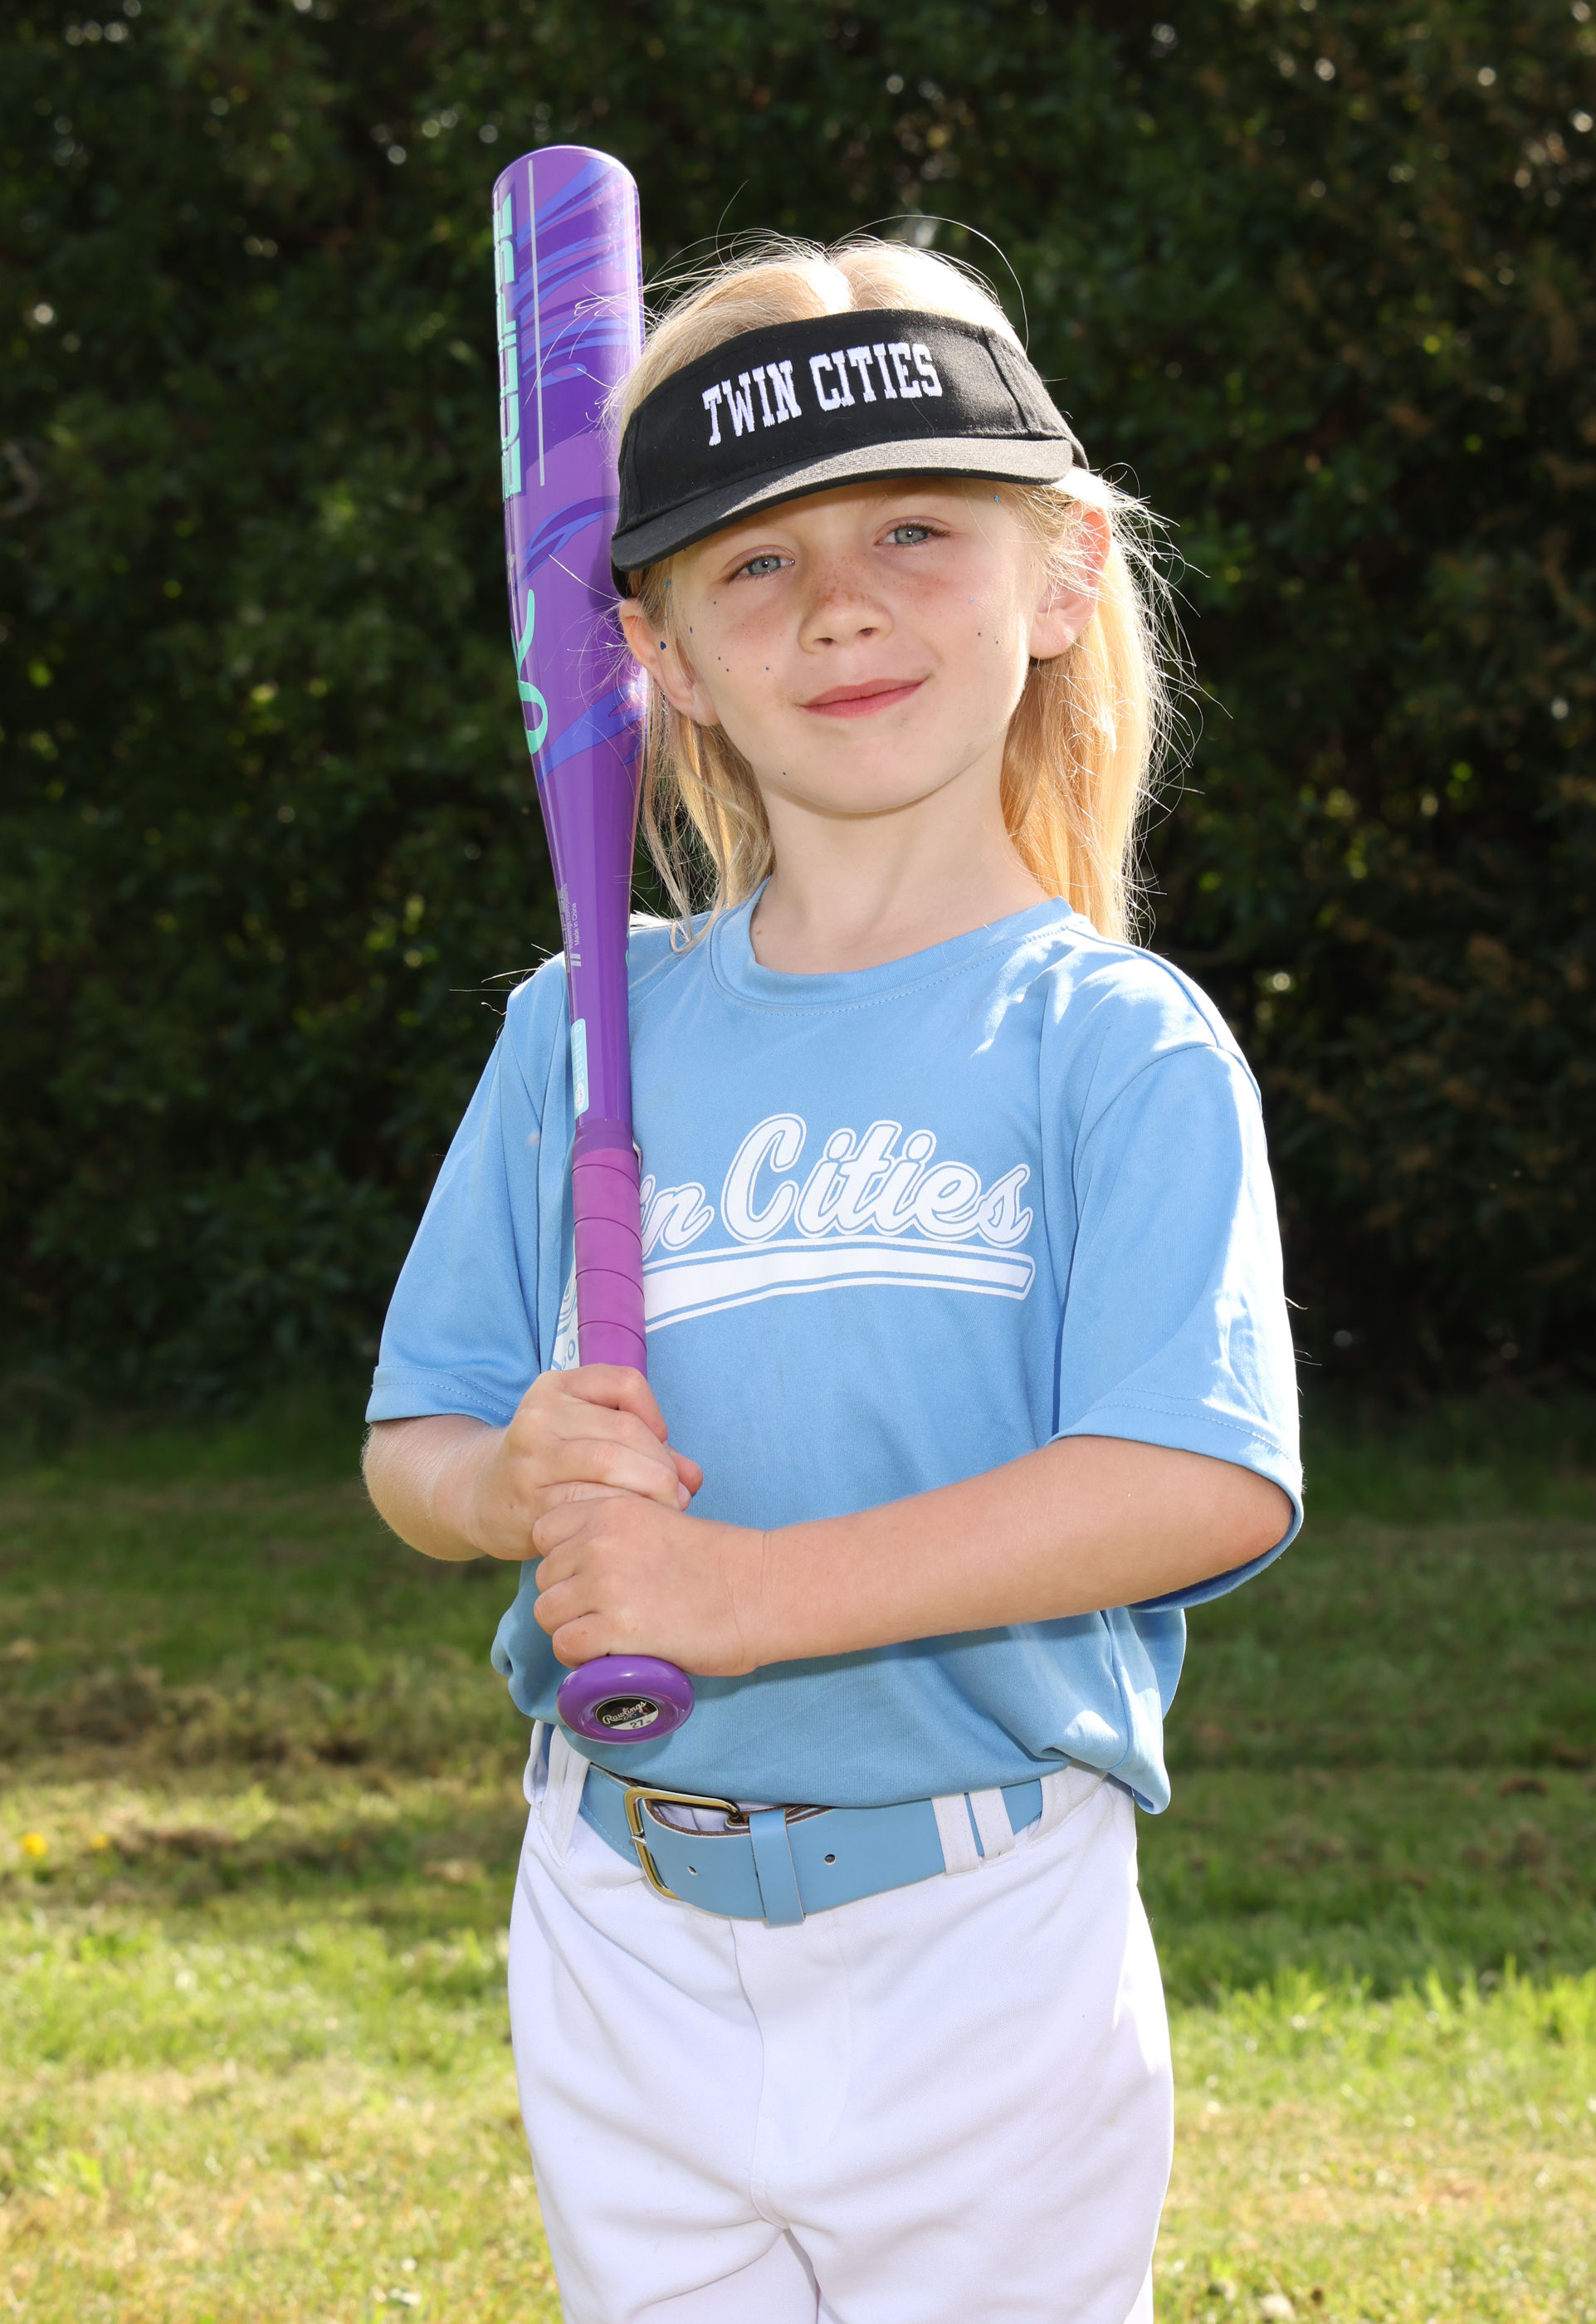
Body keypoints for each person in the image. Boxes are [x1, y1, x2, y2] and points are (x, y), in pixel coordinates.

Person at [363, 235, 1301, 2324]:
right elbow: (415, 1435)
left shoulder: (1111, 1043)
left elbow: (1195, 1475)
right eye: (757, 562)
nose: (843, 604)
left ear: (1059, 573)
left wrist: (748, 1594)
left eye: (912, 529)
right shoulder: (579, 1028)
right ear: (662, 656)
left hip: (979, 1926)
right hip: (620, 1904)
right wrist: (505, 1478)